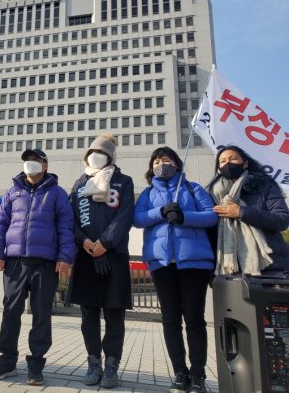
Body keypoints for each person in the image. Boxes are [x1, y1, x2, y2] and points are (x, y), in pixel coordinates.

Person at [133, 147, 218, 393]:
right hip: (162, 263)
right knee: (170, 319)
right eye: (157, 160)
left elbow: (211, 216)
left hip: (193, 262)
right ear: (151, 167)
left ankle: (198, 374)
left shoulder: (194, 189)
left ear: (178, 164)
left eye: (167, 159)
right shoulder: (148, 193)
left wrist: (184, 217)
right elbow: (137, 219)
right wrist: (160, 211)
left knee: (194, 319)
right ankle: (180, 373)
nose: (162, 163)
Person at [0, 149, 75, 386]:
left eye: (36, 160)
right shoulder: (13, 192)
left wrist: (65, 256)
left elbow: (66, 227)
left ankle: (36, 365)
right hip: (15, 262)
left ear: (45, 165)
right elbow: (0, 224)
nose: (30, 164)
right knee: (10, 312)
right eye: (27, 161)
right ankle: (6, 361)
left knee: (41, 315)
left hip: (45, 263)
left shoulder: (57, 193)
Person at [67, 135, 134, 389]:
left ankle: (111, 367)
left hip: (113, 256)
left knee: (114, 315)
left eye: (101, 152)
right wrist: (84, 241)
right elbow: (70, 218)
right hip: (85, 256)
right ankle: (93, 362)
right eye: (92, 152)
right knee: (88, 316)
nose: (95, 155)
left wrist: (105, 243)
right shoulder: (80, 183)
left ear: (111, 157)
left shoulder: (123, 181)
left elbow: (125, 215)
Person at [207, 145, 289, 275]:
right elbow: (210, 234)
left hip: (270, 266)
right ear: (218, 168)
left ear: (245, 163)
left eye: (232, 159)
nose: (227, 163)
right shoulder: (212, 194)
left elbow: (282, 219)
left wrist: (242, 212)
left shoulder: (264, 186)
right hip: (229, 270)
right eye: (222, 161)